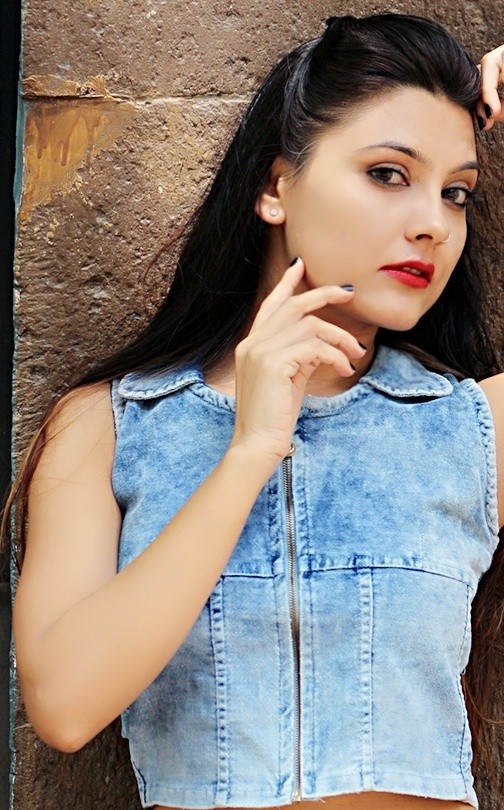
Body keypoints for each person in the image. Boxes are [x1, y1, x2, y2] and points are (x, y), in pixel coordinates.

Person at [5, 12, 504, 810]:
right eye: (387, 174)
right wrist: (249, 451)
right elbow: (64, 705)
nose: (432, 224)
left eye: (456, 193)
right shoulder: (109, 426)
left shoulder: (472, 424)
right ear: (276, 188)